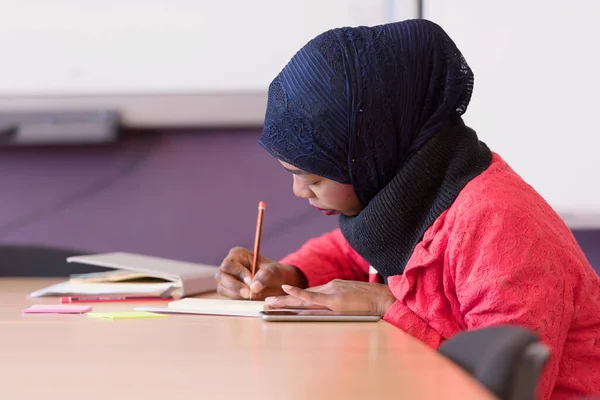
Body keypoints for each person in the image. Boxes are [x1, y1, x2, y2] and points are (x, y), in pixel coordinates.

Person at [213, 19, 600, 399]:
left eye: (314, 179)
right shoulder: (410, 197)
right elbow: (350, 251)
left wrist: (386, 306)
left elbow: (502, 384)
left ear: (369, 155)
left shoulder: (498, 226)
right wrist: (288, 275)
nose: (299, 192)